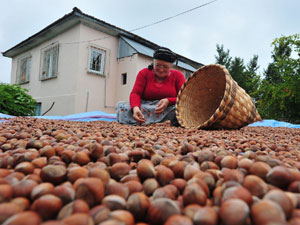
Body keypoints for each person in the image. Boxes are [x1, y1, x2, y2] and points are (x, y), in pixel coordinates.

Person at [116, 47, 186, 125]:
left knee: (179, 110)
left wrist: (168, 101)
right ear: (153, 64)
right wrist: (135, 108)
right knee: (121, 106)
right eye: (158, 65)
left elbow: (183, 97)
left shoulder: (178, 76)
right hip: (145, 106)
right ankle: (161, 123)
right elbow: (135, 94)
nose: (161, 69)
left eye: (165, 67)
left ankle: (147, 123)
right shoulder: (143, 73)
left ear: (170, 67)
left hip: (167, 108)